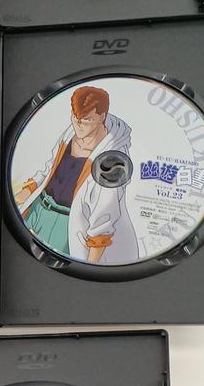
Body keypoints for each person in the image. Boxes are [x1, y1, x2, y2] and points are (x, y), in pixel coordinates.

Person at [12, 85, 138, 263]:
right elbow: (49, 169)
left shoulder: (112, 158)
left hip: (66, 224)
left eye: (86, 120)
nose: (78, 124)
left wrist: (91, 267)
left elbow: (104, 214)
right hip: (37, 210)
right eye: (75, 117)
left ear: (102, 117)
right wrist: (26, 191)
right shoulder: (70, 133)